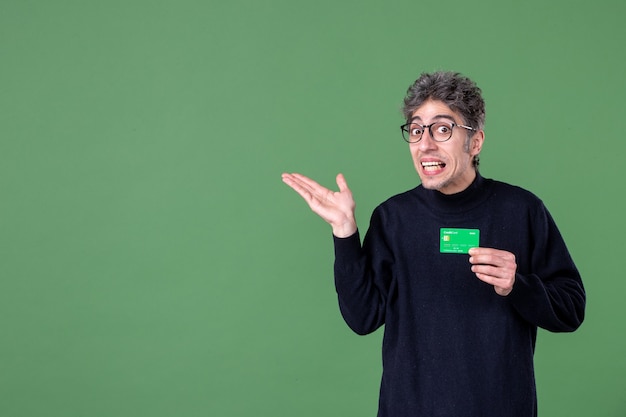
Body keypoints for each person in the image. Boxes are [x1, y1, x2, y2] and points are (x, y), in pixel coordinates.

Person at [281, 71, 585, 417]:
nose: (425, 144)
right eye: (416, 130)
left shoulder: (522, 211)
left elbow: (571, 310)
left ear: (476, 141)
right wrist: (345, 232)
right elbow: (362, 318)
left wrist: (519, 285)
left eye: (443, 129)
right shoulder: (393, 219)